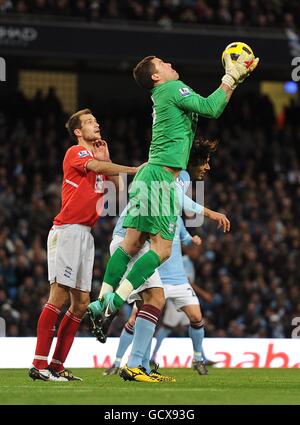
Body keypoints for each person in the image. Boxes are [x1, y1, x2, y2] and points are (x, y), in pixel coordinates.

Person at [87, 53, 258, 336]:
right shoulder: (170, 89)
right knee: (163, 250)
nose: (170, 64)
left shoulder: (164, 94)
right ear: (156, 76)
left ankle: (101, 299)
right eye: (163, 64)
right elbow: (211, 108)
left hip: (149, 174)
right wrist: (229, 79)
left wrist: (235, 81)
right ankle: (114, 304)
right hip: (163, 177)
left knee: (130, 245)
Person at [101, 139, 230, 382]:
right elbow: (181, 200)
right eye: (206, 161)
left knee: (152, 302)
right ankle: (108, 310)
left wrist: (191, 238)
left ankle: (139, 364)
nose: (208, 167)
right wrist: (211, 213)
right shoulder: (175, 172)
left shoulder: (174, 174)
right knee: (153, 300)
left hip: (138, 238)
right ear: (193, 159)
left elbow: (175, 205)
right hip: (131, 238)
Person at [28, 108, 141, 382]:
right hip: (67, 230)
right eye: (90, 122)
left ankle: (56, 365)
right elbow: (98, 167)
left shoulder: (97, 160)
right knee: (58, 296)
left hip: (85, 235)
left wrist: (109, 160)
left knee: (80, 304)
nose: (96, 125)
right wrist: (133, 169)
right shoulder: (76, 153)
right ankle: (38, 364)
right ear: (78, 131)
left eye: (96, 121)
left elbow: (119, 195)